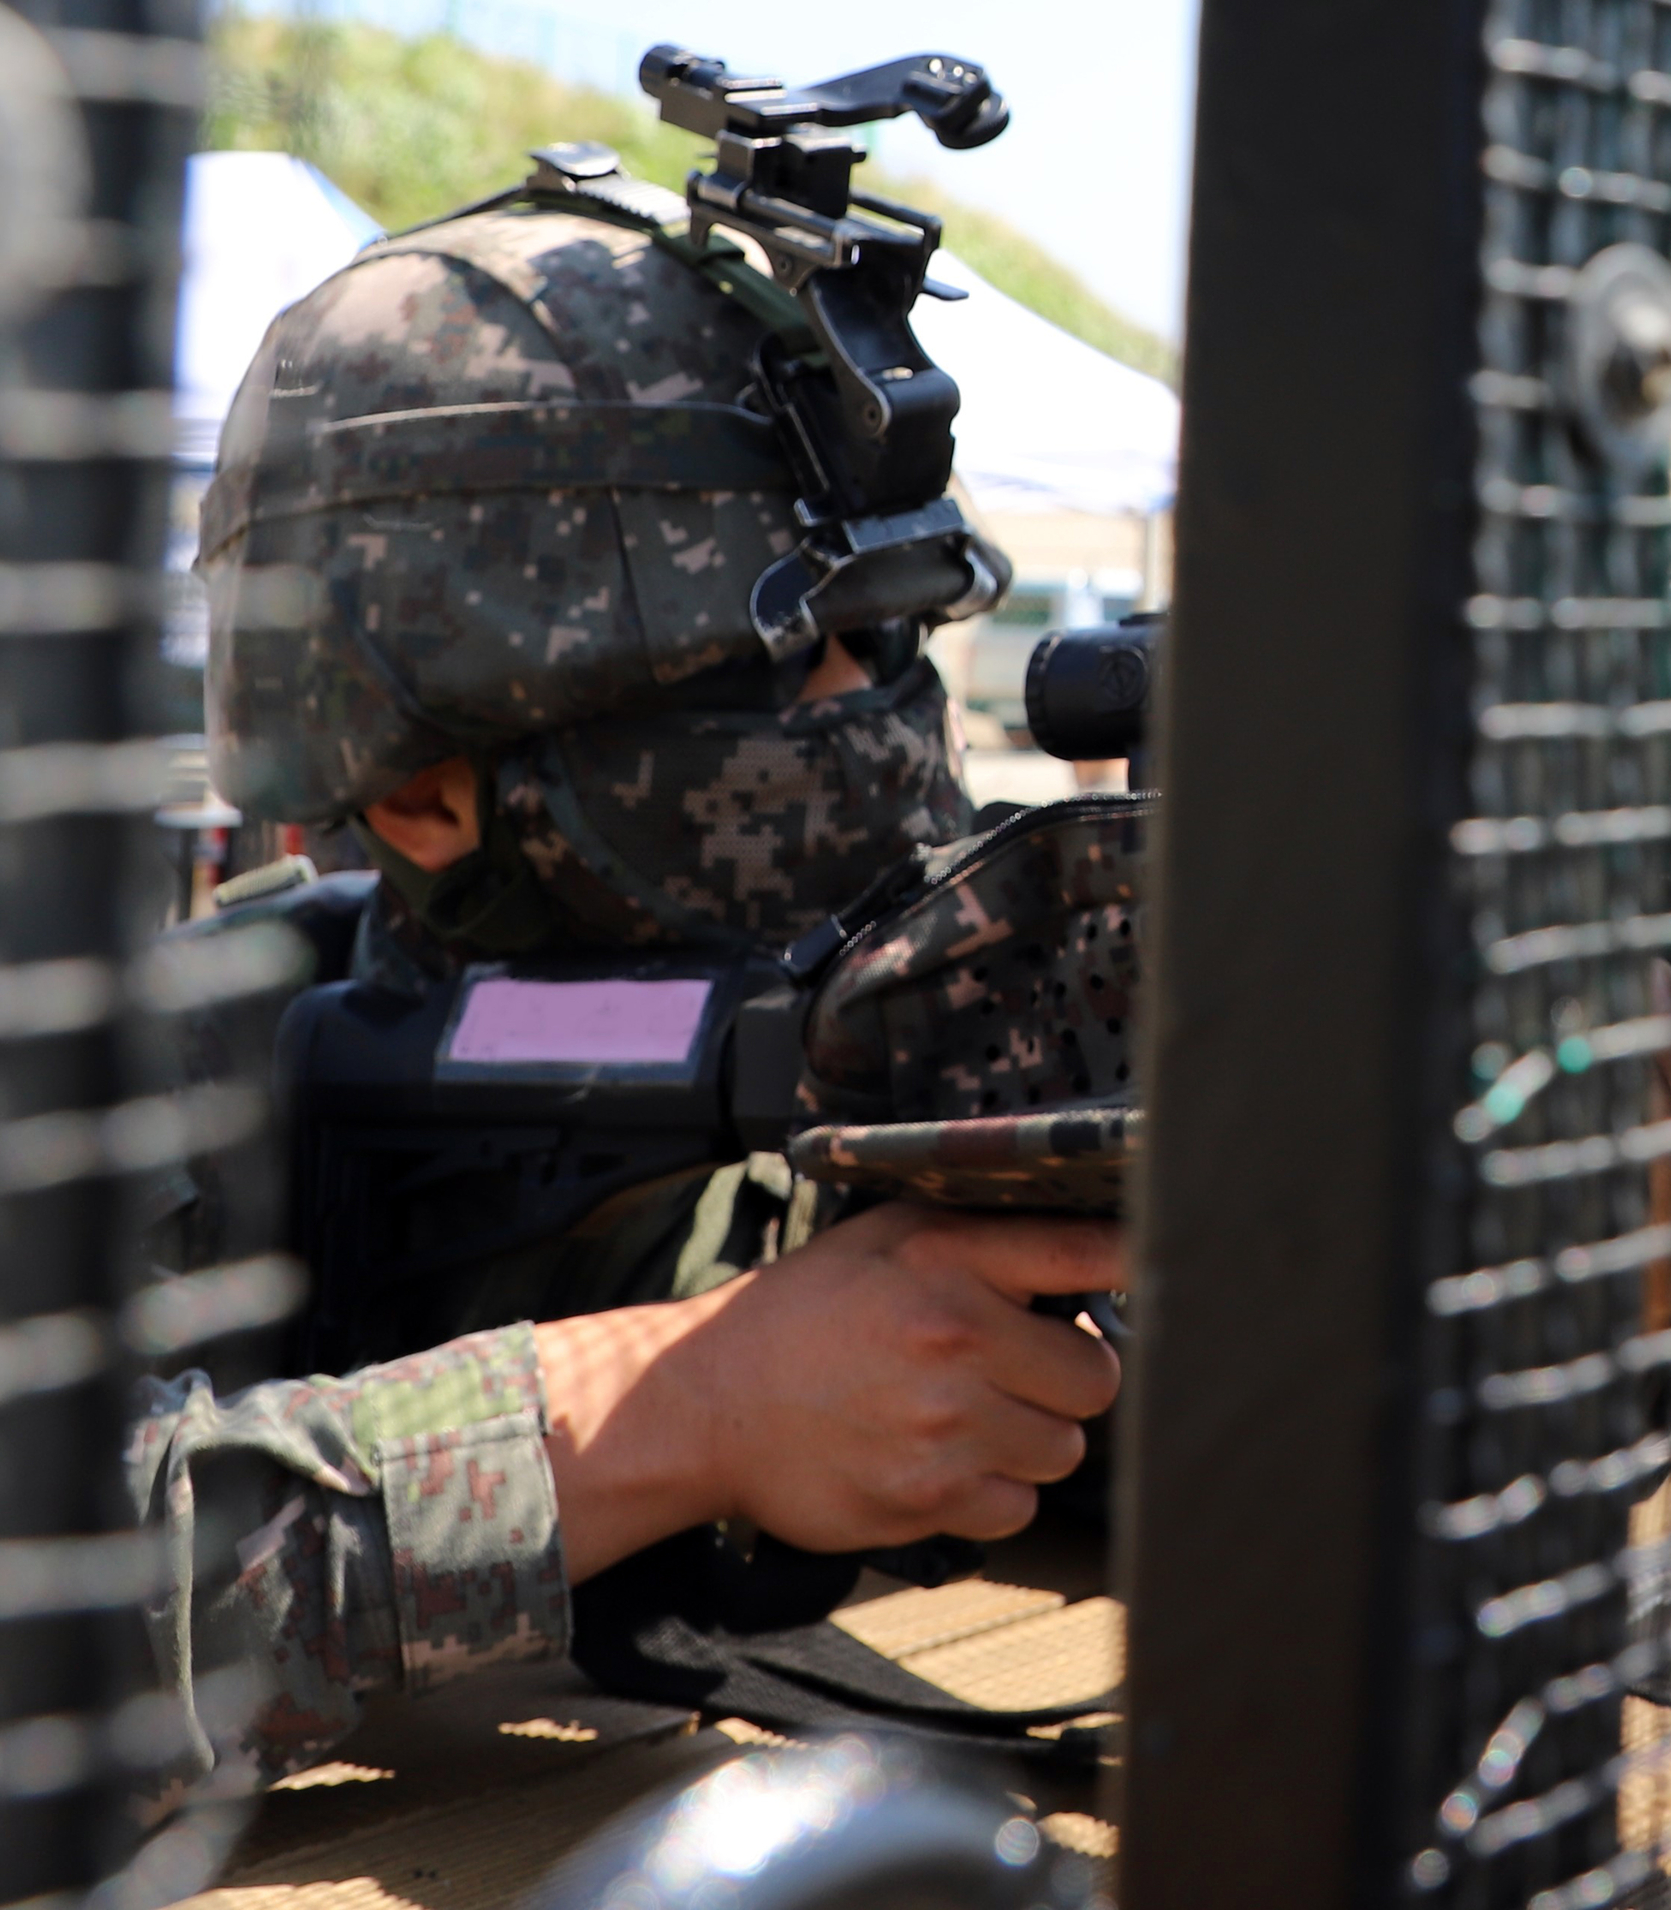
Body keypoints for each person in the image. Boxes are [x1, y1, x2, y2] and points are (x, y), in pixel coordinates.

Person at [134, 168, 1121, 1784]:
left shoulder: (877, 1067)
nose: (862, 709)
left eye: (881, 640)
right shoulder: (113, 1081)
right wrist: (673, 1412)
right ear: (420, 796)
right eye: (770, 670)